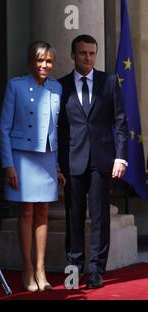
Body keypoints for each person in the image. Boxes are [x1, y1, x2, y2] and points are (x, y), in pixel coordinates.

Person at [58, 34, 129, 289]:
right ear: (73, 55)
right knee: (73, 218)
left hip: (102, 160)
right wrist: (55, 163)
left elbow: (121, 122)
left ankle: (96, 272)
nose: (88, 58)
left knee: (100, 218)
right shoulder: (60, 86)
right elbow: (55, 128)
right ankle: (74, 272)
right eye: (82, 53)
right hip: (71, 160)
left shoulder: (109, 82)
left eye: (91, 53)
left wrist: (121, 157)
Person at [0, 41, 64, 292]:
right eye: (40, 60)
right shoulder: (15, 86)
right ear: (31, 61)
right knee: (26, 211)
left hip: (47, 157)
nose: (44, 65)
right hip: (21, 158)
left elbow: (56, 130)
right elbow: (3, 128)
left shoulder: (56, 88)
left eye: (48, 61)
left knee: (44, 211)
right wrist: (8, 165)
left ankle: (41, 268)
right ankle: (27, 267)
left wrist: (57, 167)